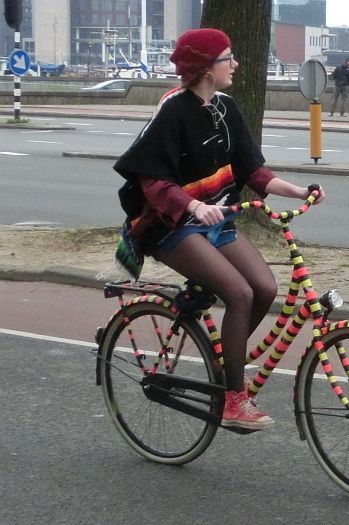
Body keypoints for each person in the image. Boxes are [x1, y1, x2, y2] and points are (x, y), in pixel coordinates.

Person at [113, 28, 325, 431]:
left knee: (264, 288)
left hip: (215, 222)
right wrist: (193, 204)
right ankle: (232, 399)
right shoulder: (173, 109)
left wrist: (297, 190)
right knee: (238, 292)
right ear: (206, 69)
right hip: (170, 226)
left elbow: (254, 170)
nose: (235, 63)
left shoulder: (226, 107)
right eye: (228, 57)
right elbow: (152, 180)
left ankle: (226, 366)